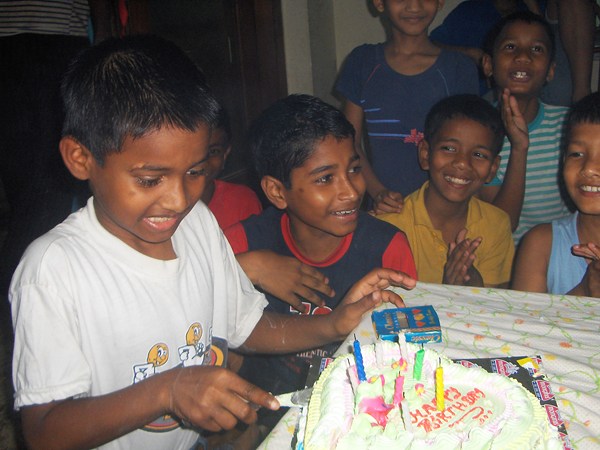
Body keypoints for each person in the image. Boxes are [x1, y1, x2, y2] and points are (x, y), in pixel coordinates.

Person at [8, 35, 417, 450]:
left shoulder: (197, 224)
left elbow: (245, 326)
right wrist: (167, 391)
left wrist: (334, 324)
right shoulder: (53, 269)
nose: (178, 199)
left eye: (195, 172)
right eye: (150, 180)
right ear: (80, 158)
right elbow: (44, 433)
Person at [223, 93, 417, 432]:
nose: (351, 191)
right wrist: (248, 266)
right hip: (263, 411)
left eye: (354, 169)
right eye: (325, 178)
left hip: (357, 415)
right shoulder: (243, 244)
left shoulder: (387, 248)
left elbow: (406, 360)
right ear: (277, 192)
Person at [0, 0, 115, 296]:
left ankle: (25, 295)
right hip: (9, 44)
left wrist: (101, 34)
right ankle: (22, 296)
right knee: (31, 186)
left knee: (51, 188)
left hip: (61, 41)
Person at [335, 0, 479, 214]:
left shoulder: (459, 68)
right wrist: (378, 192)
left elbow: (469, 146)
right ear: (379, 3)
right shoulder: (362, 62)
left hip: (443, 212)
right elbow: (349, 142)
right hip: (383, 213)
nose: (414, 6)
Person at [379, 94, 514, 287]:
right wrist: (448, 289)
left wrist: (472, 284)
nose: (462, 163)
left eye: (478, 154)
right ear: (425, 154)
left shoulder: (496, 224)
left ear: (493, 168)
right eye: (449, 149)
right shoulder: (390, 226)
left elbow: (496, 299)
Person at [478, 11, 571, 243]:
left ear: (550, 71)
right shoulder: (479, 134)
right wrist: (519, 148)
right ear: (488, 64)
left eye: (537, 49)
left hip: (561, 252)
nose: (523, 56)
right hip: (506, 256)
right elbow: (504, 224)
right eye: (510, 47)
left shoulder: (568, 126)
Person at [512, 92, 600, 297]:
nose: (588, 168)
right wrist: (585, 290)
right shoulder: (542, 244)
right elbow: (525, 317)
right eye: (577, 154)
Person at [430, 0, 594, 105]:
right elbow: (431, 43)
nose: (522, 56)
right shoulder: (470, 10)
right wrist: (472, 53)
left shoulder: (541, 6)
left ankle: (582, 98)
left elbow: (543, 39)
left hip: (546, 83)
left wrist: (534, 9)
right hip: (496, 94)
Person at [200, 105, 262, 230]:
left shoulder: (242, 200)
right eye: (195, 152)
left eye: (213, 151)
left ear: (225, 154)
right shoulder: (165, 206)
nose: (202, 162)